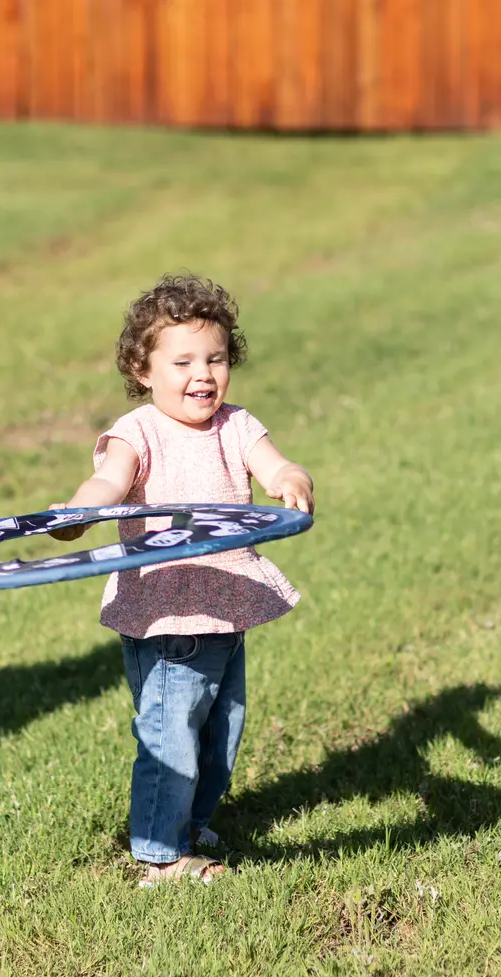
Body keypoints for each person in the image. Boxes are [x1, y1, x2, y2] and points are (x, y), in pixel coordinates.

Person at [53, 274, 315, 885]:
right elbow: (107, 486)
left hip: (225, 604)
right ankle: (160, 853)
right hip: (165, 612)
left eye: (216, 358)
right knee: (172, 734)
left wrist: (292, 481)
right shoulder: (138, 432)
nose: (204, 373)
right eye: (183, 361)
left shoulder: (237, 425)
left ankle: (189, 822)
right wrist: (77, 513)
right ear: (143, 370)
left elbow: (275, 464)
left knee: (222, 733)